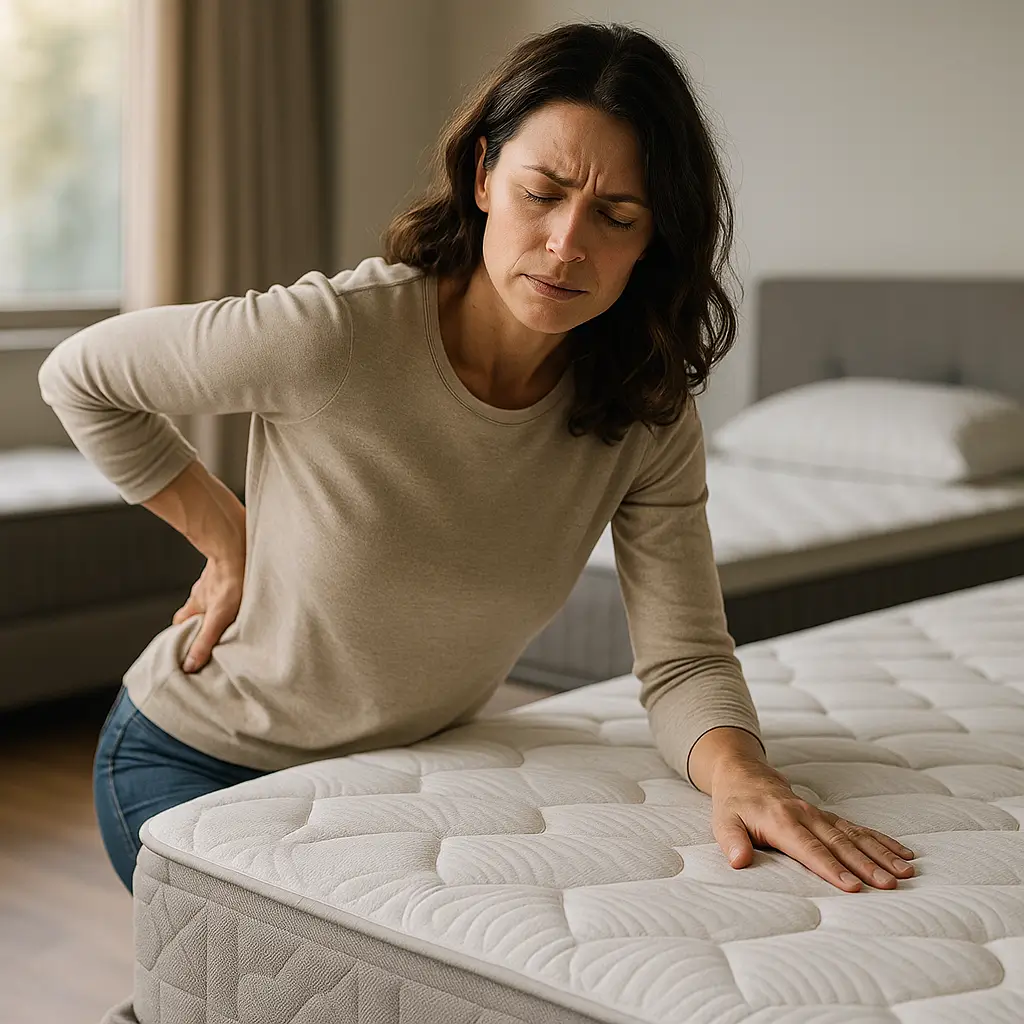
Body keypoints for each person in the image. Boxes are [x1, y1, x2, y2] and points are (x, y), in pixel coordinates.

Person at [40, 21, 915, 905]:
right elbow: (80, 375)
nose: (568, 243)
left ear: (653, 240)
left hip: (396, 767)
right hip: (193, 757)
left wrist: (741, 776)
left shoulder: (644, 411)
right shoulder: (338, 335)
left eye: (616, 216)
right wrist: (230, 537)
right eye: (543, 192)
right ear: (484, 175)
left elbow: (684, 658)